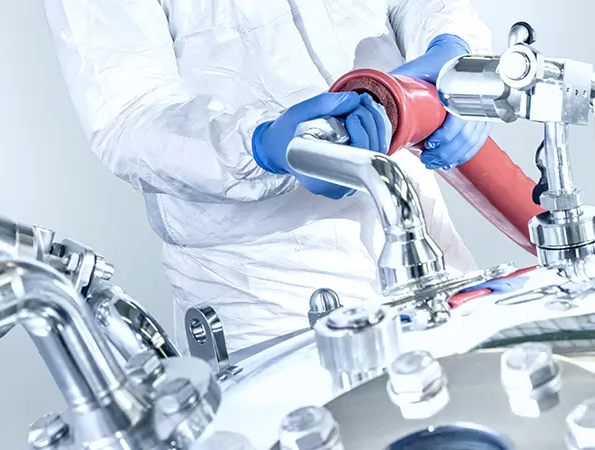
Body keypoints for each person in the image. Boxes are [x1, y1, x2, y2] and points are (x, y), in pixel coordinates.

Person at [43, 0, 493, 351]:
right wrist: (261, 147)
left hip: (420, 229)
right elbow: (128, 117)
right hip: (266, 295)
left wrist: (454, 52)